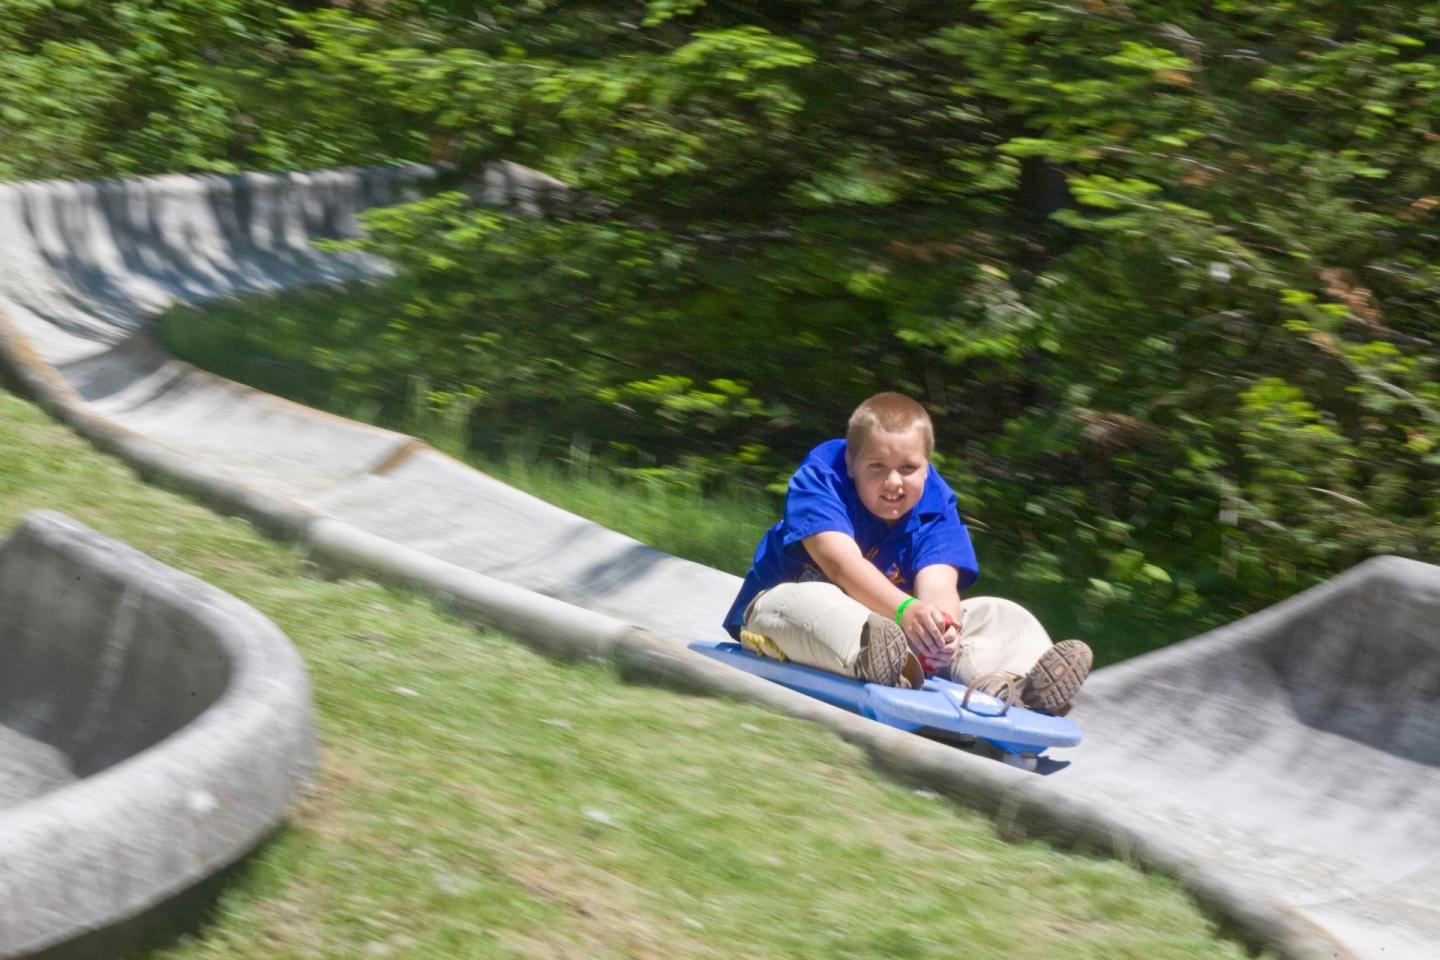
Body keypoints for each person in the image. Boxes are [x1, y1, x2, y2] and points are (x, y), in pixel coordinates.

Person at [722, 391, 1091, 714]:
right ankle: (879, 658)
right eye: (877, 467)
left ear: (927, 467)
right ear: (851, 462)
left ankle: (1015, 683)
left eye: (908, 469)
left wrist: (941, 631)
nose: (893, 483)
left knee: (995, 614)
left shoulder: (935, 502)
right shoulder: (823, 475)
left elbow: (939, 582)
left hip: (898, 628)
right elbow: (840, 565)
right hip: (785, 615)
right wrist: (905, 610)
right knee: (817, 601)